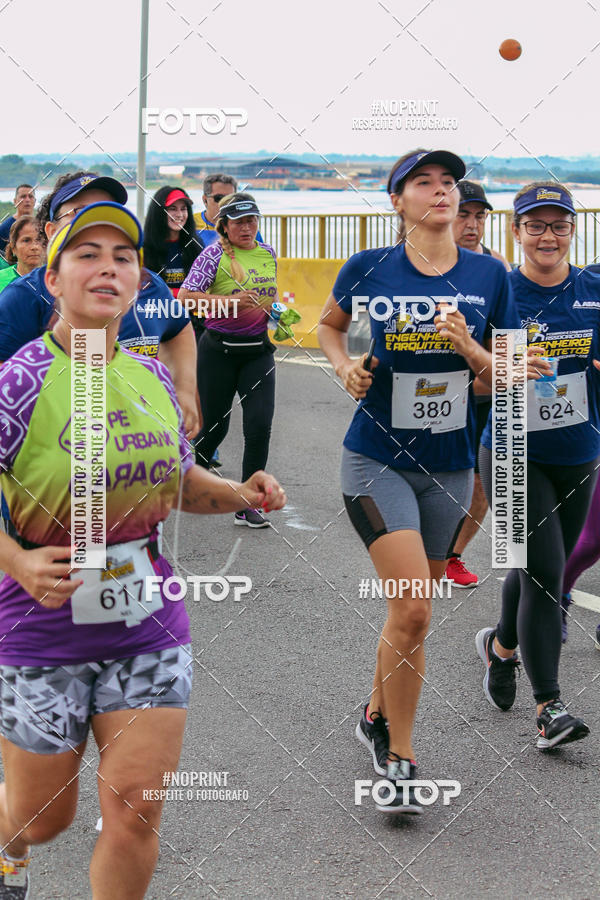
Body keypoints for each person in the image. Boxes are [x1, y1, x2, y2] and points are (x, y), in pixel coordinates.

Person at [0, 201, 286, 899]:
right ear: (55, 280)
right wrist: (18, 560)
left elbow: (180, 483)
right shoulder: (17, 383)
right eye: (86, 254)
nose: (108, 267)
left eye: (123, 256)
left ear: (138, 283)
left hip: (146, 617)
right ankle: (9, 841)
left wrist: (239, 493)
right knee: (42, 819)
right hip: (42, 621)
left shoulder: (150, 376)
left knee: (137, 805)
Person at [318, 149, 518, 814]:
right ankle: (400, 760)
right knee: (413, 609)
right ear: (397, 202)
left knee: (410, 620)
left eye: (448, 182)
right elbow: (327, 326)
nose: (440, 190)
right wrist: (343, 365)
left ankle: (375, 712)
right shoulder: (370, 267)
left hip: (452, 467)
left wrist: (470, 349)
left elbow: (504, 377)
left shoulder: (491, 275)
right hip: (375, 459)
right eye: (422, 183)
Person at [477, 181, 600, 750]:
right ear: (516, 231)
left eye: (558, 225)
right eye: (535, 225)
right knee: (548, 575)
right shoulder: (496, 292)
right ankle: (549, 708)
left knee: (534, 572)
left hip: (578, 452)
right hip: (510, 451)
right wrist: (507, 367)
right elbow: (471, 382)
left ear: (572, 231)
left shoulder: (594, 289)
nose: (547, 236)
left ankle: (501, 647)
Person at [0, 172, 199, 438]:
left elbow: (179, 327)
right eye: (79, 211)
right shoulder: (25, 296)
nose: (94, 221)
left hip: (142, 446)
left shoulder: (147, 283)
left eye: (107, 211)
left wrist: (184, 390)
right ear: (51, 230)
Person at [180, 193, 278, 527]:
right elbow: (186, 298)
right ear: (224, 225)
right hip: (218, 352)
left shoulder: (268, 254)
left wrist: (278, 313)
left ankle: (247, 502)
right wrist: (229, 303)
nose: (247, 228)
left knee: (259, 426)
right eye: (238, 222)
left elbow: (268, 298)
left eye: (252, 220)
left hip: (257, 352)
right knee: (213, 428)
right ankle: (194, 477)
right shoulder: (212, 256)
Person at [445, 181, 512, 588]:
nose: (472, 224)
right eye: (464, 214)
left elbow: (509, 339)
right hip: (434, 396)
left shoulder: (497, 268)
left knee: (481, 484)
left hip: (485, 397)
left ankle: (453, 555)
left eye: (480, 216)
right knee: (434, 480)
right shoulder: (426, 265)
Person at [143, 186, 204, 297]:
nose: (179, 215)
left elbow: (203, 288)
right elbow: (144, 290)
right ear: (159, 212)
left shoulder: (195, 245)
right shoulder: (144, 246)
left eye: (183, 209)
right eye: (172, 208)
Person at [0, 216, 45, 292]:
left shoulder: (54, 279)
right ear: (13, 247)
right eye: (26, 240)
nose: (34, 247)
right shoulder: (2, 279)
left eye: (39, 239)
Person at [0, 185, 35, 257]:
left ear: (35, 201)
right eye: (23, 196)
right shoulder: (5, 227)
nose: (27, 200)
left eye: (30, 196)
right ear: (15, 201)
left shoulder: (41, 225)